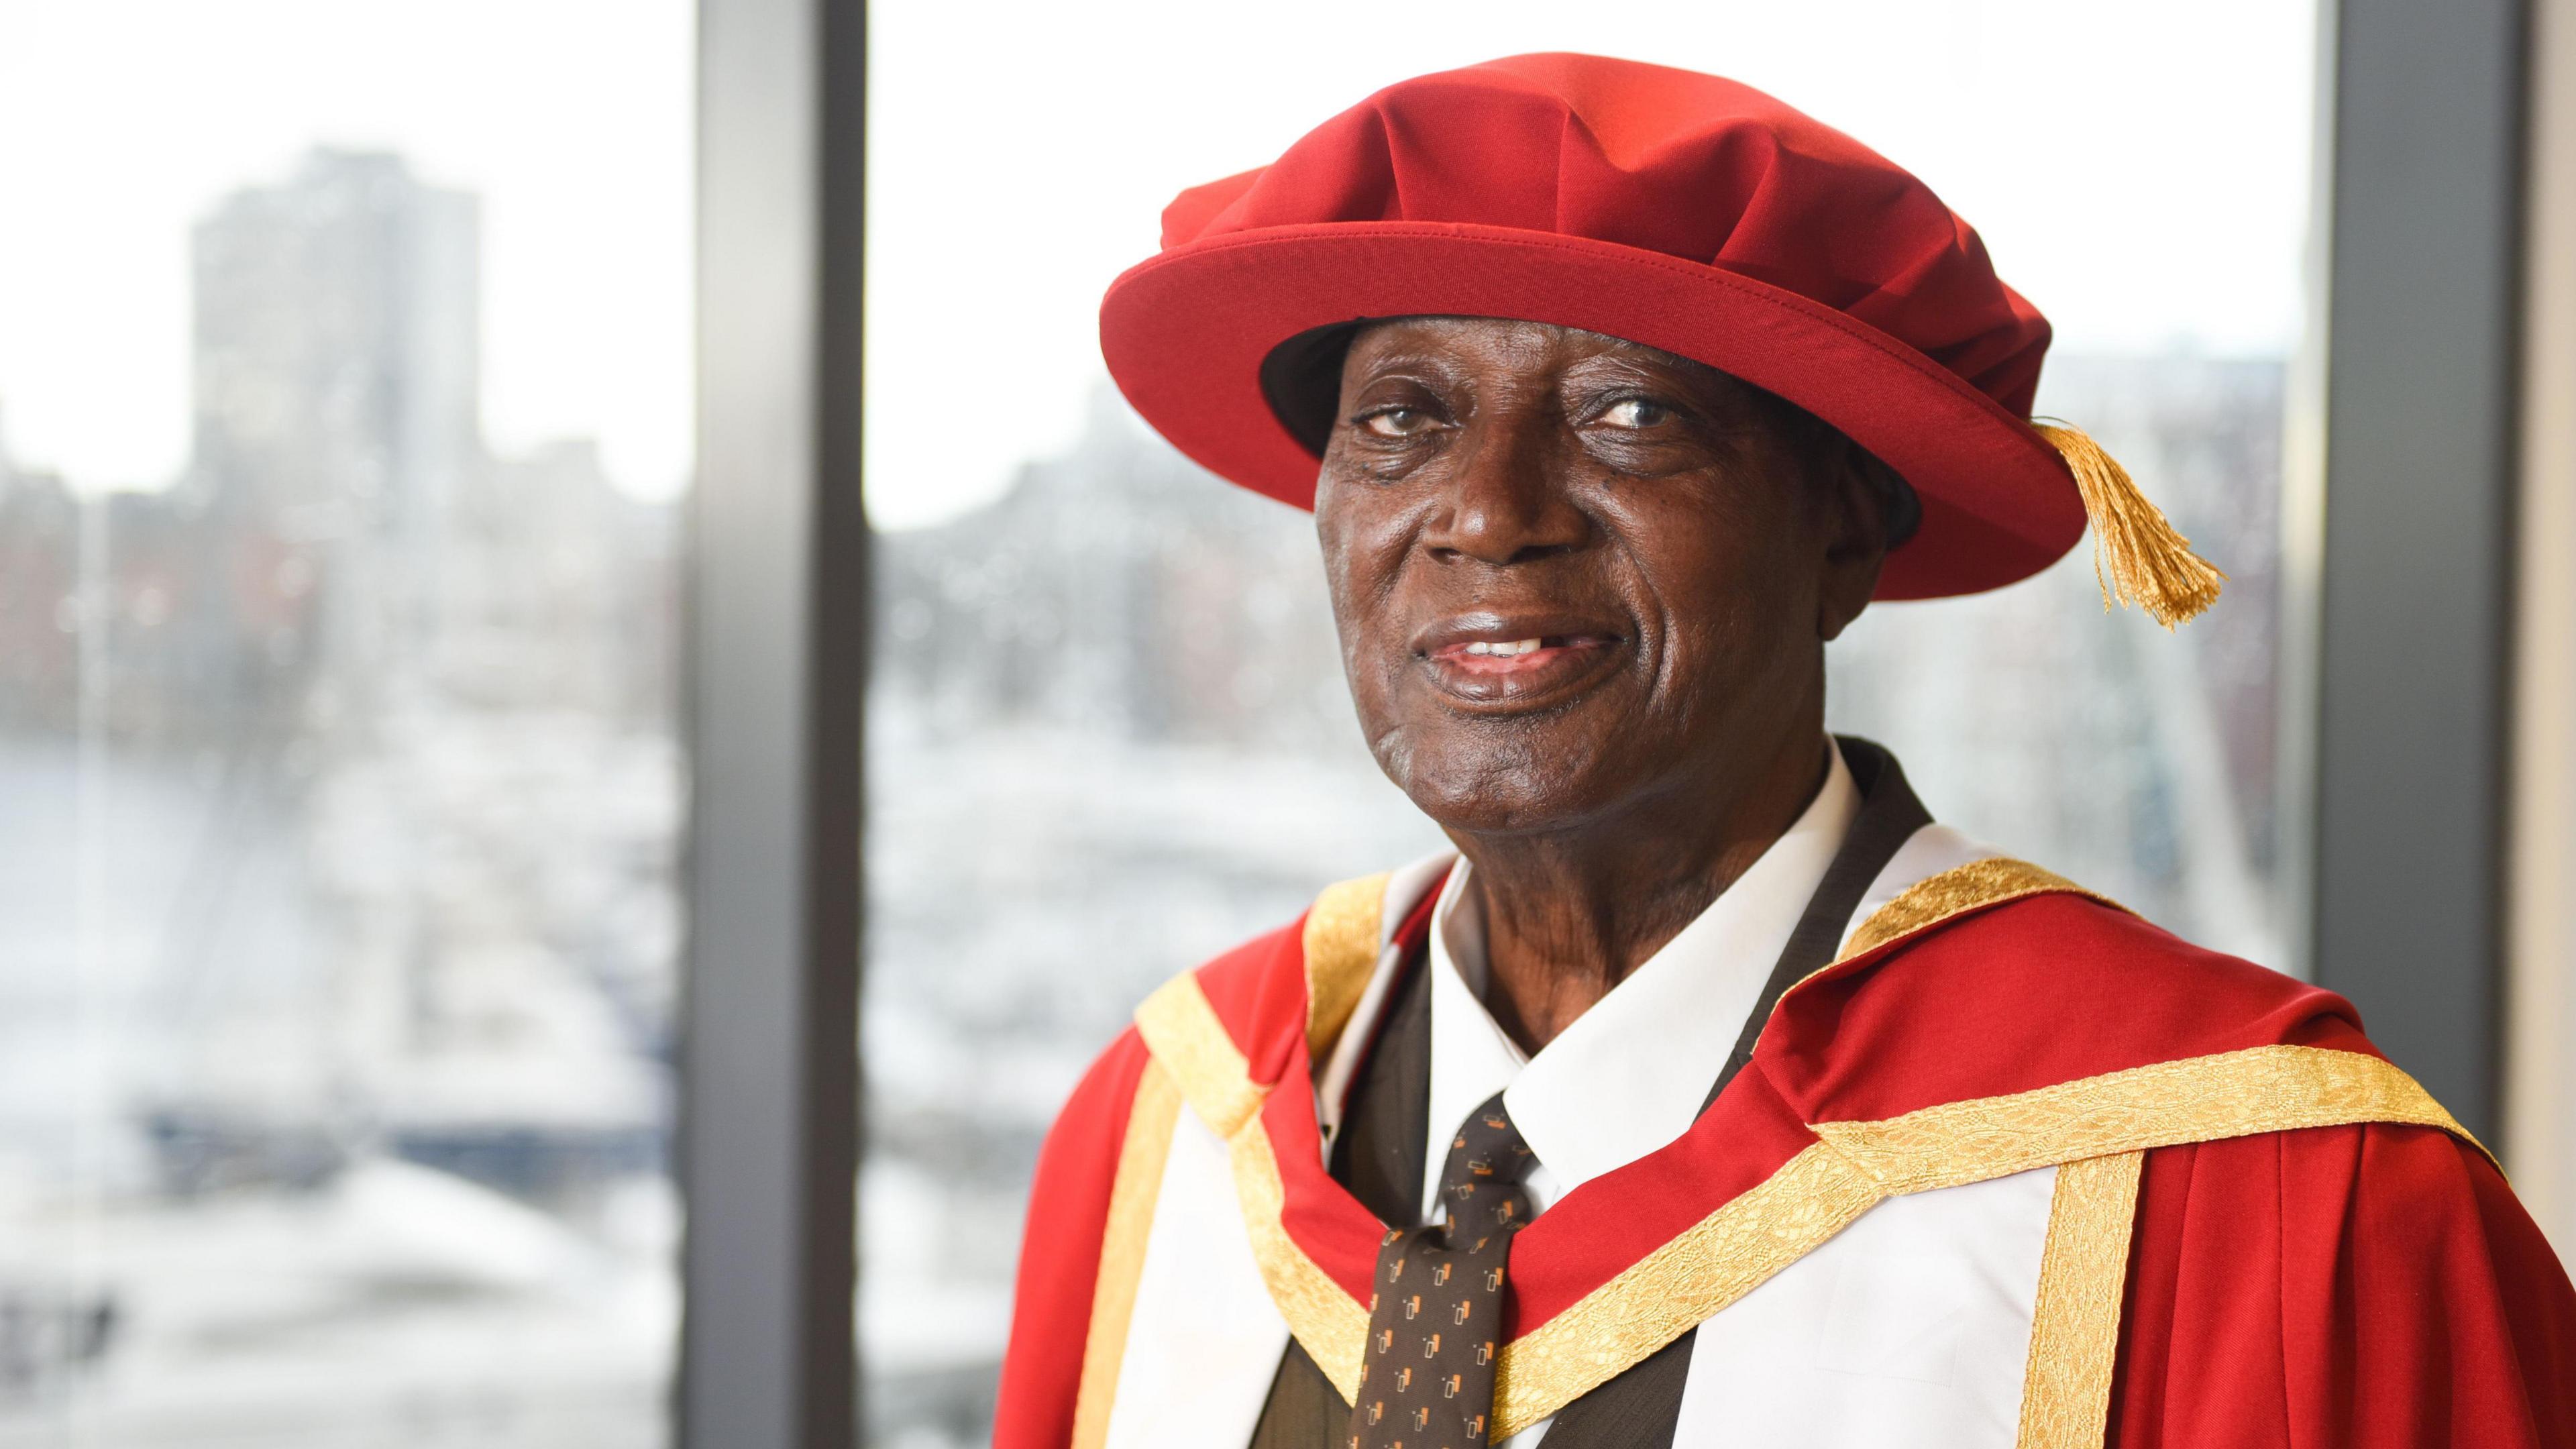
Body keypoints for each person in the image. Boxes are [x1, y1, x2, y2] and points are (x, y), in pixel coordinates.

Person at [991, 54, 2576, 1449]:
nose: (1485, 512)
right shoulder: (1168, 1124)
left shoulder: (2272, 1207)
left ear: (1846, 533)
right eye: (1404, 415)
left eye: (1629, 415)